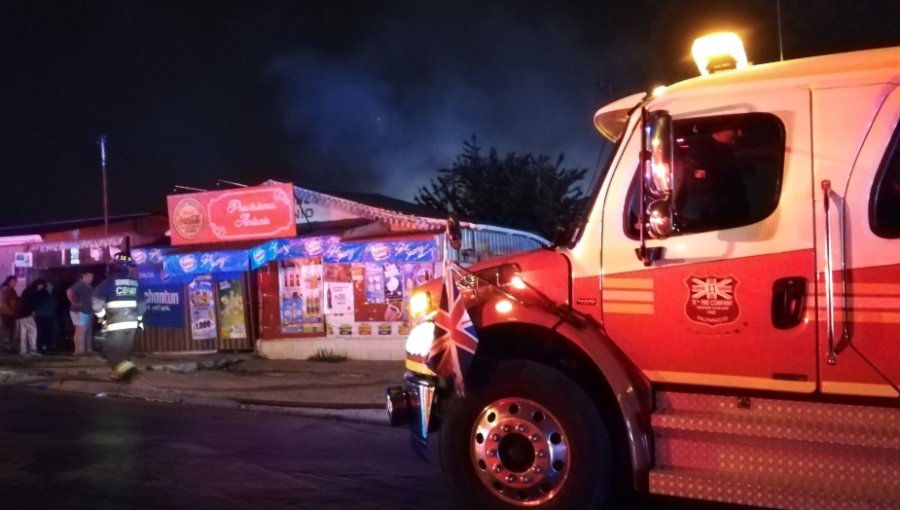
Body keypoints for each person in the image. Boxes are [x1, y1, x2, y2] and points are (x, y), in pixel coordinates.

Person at [675, 123, 751, 231]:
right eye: (734, 128)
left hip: (725, 219)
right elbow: (699, 188)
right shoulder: (705, 153)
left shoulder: (722, 152)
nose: (740, 133)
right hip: (719, 220)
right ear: (717, 131)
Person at [92, 253, 145, 381]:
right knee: (125, 350)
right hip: (132, 323)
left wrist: (102, 316)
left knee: (111, 350)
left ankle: (127, 372)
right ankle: (123, 374)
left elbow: (96, 303)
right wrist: (138, 320)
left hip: (116, 322)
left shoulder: (108, 282)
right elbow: (142, 305)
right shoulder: (135, 283)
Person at [67, 271, 94, 355]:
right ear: (84, 276)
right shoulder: (80, 285)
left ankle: (78, 350)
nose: (91, 279)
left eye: (92, 277)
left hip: (81, 310)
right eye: (89, 277)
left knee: (79, 330)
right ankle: (80, 351)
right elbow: (69, 291)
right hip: (81, 311)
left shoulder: (87, 286)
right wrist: (74, 302)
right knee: (82, 330)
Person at [17, 279, 44, 355]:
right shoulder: (33, 292)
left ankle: (23, 350)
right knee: (33, 330)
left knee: (23, 332)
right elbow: (32, 304)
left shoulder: (26, 290)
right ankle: (32, 349)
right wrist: (33, 311)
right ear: (38, 285)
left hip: (21, 314)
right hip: (27, 314)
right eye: (41, 286)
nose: (41, 288)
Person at [33, 281, 60, 354]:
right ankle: (47, 347)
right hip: (48, 316)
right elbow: (55, 304)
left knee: (40, 332)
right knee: (48, 332)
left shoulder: (38, 295)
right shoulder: (50, 296)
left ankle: (40, 347)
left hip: (39, 316)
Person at [0, 275, 19, 352]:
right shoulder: (10, 290)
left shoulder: (2, 289)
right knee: (11, 331)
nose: (15, 284)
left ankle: (4, 346)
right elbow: (13, 303)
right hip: (10, 313)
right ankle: (9, 347)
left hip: (3, 312)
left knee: (4, 330)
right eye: (13, 282)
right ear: (9, 282)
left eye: (15, 282)